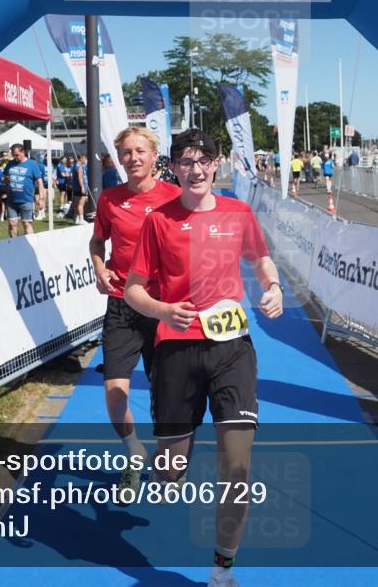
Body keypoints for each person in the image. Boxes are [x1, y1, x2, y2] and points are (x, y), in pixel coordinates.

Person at [125, 128, 283, 587]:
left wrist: (272, 287)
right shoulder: (159, 220)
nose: (195, 170)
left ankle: (222, 569)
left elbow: (261, 260)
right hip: (176, 350)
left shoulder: (238, 213)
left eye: (204, 161)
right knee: (171, 475)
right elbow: (133, 290)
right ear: (172, 167)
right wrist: (163, 311)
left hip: (232, 349)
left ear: (217, 164)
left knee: (237, 467)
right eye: (186, 162)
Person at [89, 127, 182, 498]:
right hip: (122, 303)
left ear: (154, 155)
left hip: (163, 307)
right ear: (119, 157)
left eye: (140, 151)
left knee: (168, 395)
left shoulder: (176, 196)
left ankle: (167, 459)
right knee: (114, 392)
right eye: (126, 152)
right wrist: (99, 268)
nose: (134, 158)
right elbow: (97, 240)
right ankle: (134, 452)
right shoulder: (110, 199)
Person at [4, 143, 44, 237]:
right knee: (12, 223)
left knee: (26, 224)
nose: (15, 157)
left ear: (23, 152)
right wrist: (5, 179)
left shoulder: (32, 164)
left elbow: (40, 181)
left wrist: (41, 198)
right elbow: (4, 177)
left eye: (17, 155)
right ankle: (14, 246)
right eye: (13, 155)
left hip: (26, 200)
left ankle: (30, 246)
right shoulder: (10, 163)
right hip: (11, 200)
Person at [72, 153, 90, 224]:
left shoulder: (76, 165)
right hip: (80, 187)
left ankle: (76, 218)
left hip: (76, 187)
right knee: (81, 204)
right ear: (81, 158)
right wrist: (82, 187)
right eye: (84, 158)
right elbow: (80, 177)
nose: (85, 159)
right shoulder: (79, 166)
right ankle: (81, 219)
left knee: (77, 203)